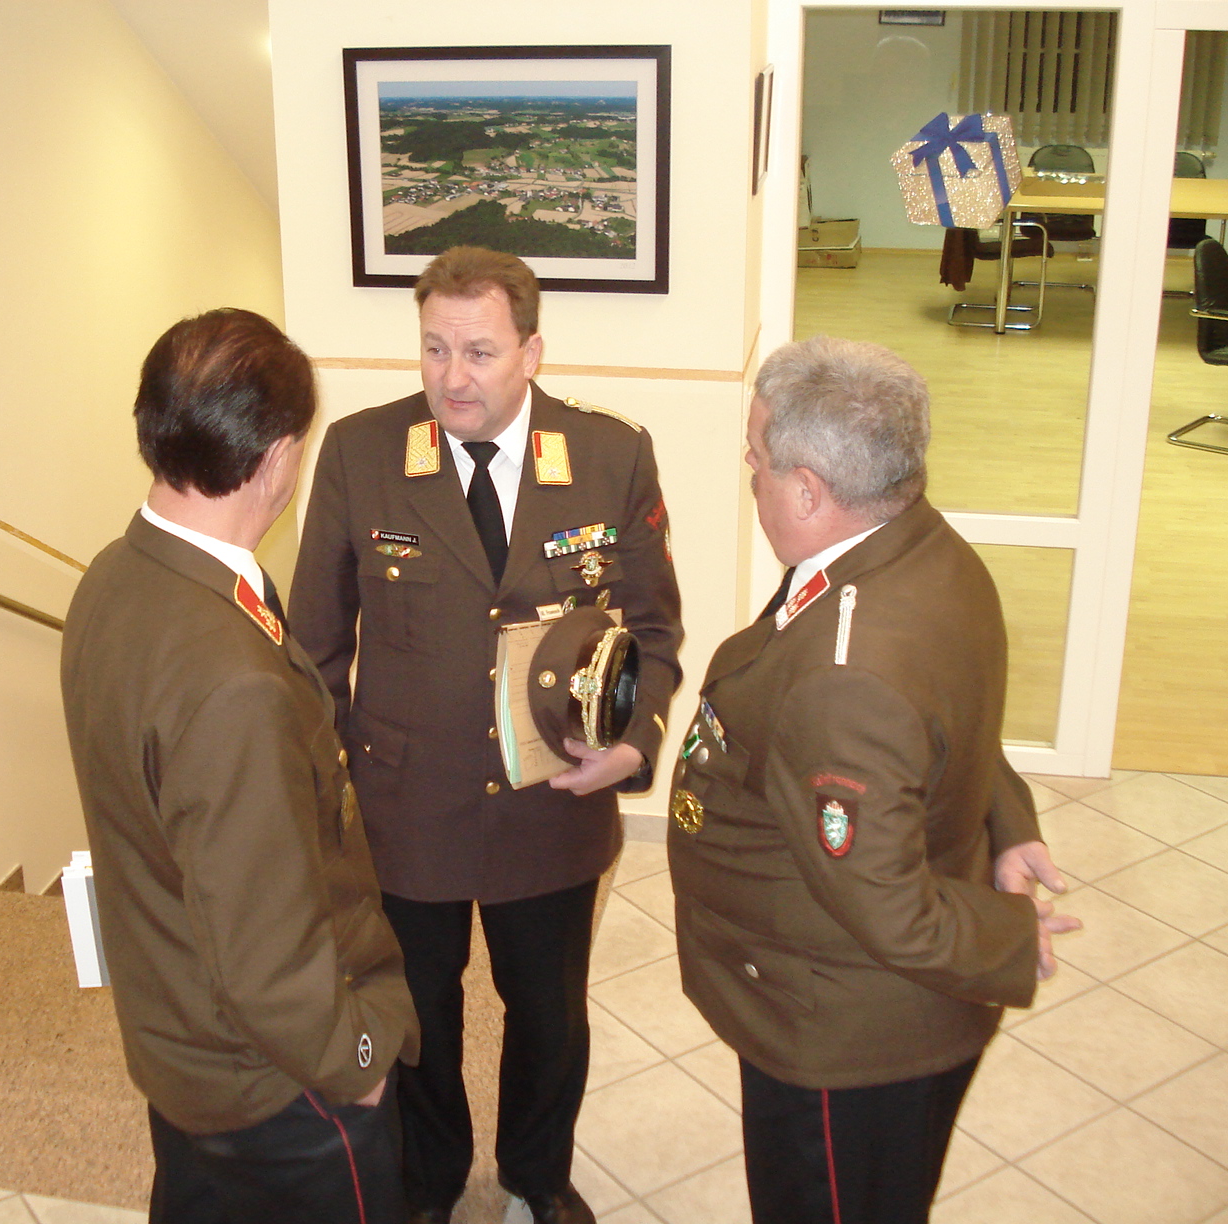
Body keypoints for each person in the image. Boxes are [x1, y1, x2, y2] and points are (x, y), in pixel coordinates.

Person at [290, 247, 683, 1224]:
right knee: (416, 1015)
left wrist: (634, 743)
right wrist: (330, 802)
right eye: (434, 349)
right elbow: (315, 650)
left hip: (552, 802)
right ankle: (428, 1184)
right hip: (404, 808)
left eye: (478, 352)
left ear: (530, 353)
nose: (452, 377)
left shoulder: (610, 454)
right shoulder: (361, 453)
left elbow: (654, 631)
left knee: (548, 1014)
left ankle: (536, 1177)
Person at [667, 335, 1080, 1224]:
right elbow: (955, 726)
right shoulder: (926, 550)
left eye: (757, 455)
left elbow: (893, 909)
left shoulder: (843, 678)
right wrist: (1010, 825)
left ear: (808, 492)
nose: (748, 469)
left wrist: (1011, 938)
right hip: (885, 1019)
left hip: (843, 1040)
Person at [61, 309, 419, 1224]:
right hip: (276, 1090)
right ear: (278, 459)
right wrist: (358, 1065)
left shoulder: (112, 579)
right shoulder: (234, 682)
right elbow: (268, 958)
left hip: (179, 1045)